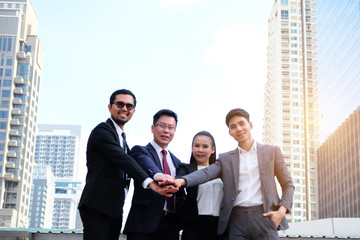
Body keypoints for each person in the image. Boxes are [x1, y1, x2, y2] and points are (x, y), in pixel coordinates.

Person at [175, 108, 294, 240]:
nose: (239, 129)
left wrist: (281, 211)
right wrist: (182, 181)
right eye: (233, 127)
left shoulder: (272, 152)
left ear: (250, 125)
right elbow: (206, 173)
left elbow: (288, 184)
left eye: (242, 124)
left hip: (265, 217)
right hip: (237, 220)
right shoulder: (226, 159)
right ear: (230, 132)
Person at [78, 90, 177, 240]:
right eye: (120, 104)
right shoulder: (102, 131)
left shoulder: (122, 138)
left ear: (133, 111)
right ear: (110, 107)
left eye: (129, 106)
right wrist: (151, 183)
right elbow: (124, 160)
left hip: (114, 209)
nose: (125, 108)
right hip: (97, 206)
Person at [124, 109, 185, 240]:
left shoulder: (177, 162)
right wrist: (158, 175)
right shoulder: (140, 151)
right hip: (143, 225)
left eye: (171, 127)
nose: (166, 131)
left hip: (171, 226)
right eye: (162, 126)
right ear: (153, 128)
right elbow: (146, 164)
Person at [177, 131, 223, 240]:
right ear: (192, 148)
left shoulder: (222, 171)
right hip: (194, 227)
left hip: (219, 227)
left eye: (205, 146)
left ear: (213, 149)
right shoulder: (185, 169)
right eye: (196, 146)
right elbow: (178, 185)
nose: (200, 150)